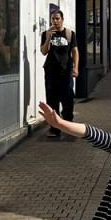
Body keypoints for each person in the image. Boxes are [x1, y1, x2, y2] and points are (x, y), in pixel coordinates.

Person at [40, 9, 79, 138]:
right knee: (52, 101)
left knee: (68, 99)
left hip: (66, 72)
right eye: (53, 19)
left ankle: (68, 126)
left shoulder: (69, 34)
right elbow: (43, 52)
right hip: (51, 73)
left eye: (57, 18)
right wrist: (48, 38)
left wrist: (75, 67)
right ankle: (54, 129)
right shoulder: (46, 34)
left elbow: (75, 51)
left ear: (62, 19)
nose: (55, 21)